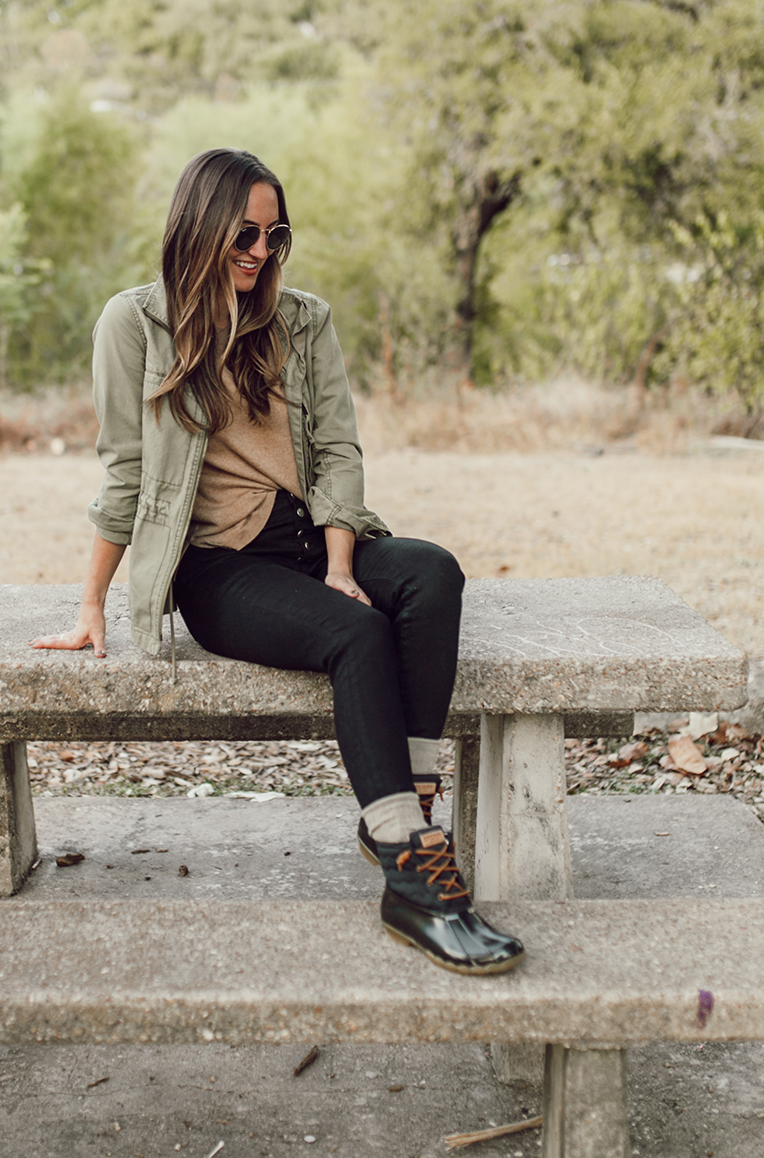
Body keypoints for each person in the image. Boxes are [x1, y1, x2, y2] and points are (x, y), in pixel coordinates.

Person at [32, 147, 524, 975]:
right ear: (201, 230)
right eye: (244, 236)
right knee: (357, 638)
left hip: (315, 540)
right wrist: (92, 605)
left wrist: (340, 564)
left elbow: (338, 449)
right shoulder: (133, 324)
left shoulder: (303, 320)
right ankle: (416, 876)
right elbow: (124, 472)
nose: (261, 252)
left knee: (432, 571)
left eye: (274, 234)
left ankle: (399, 812)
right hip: (223, 568)